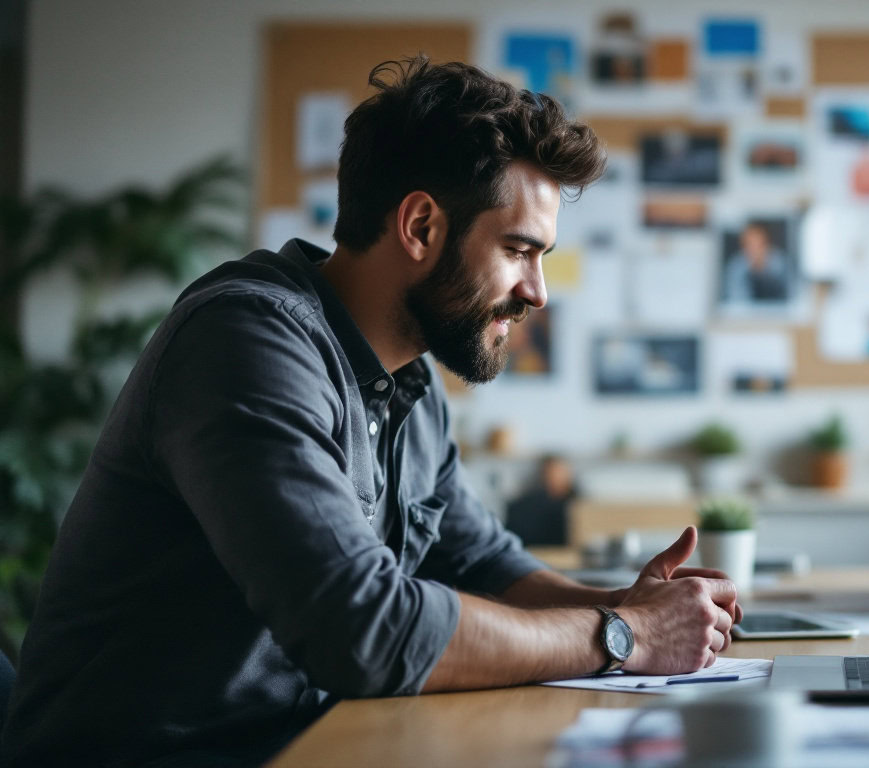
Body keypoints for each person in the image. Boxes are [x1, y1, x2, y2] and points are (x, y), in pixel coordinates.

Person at [1, 59, 741, 767]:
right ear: (420, 226)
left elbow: (481, 561)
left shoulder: (409, 382)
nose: (538, 292)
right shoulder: (245, 343)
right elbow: (361, 629)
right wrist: (621, 636)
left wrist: (637, 607)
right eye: (519, 250)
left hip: (307, 739)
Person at [506, 454, 576, 547]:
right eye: (550, 472)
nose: (554, 476)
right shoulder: (525, 506)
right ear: (542, 474)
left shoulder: (581, 504)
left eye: (559, 471)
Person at [722, 222, 789, 303]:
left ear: (768, 244)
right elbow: (737, 300)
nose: (755, 250)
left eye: (759, 245)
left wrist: (764, 268)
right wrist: (750, 270)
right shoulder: (736, 266)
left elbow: (788, 295)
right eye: (750, 245)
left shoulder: (780, 262)